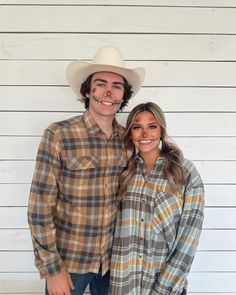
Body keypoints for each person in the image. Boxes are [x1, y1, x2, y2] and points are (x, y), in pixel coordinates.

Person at [27, 46, 145, 295]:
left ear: (123, 95)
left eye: (117, 86)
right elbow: (39, 207)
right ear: (88, 91)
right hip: (69, 264)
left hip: (114, 263)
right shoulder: (59, 134)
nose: (108, 92)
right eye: (100, 84)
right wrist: (52, 269)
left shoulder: (127, 140)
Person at [109, 102, 204, 295]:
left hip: (165, 284)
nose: (145, 135)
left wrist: (165, 288)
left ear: (161, 130)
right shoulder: (123, 172)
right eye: (137, 128)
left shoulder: (184, 172)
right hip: (125, 283)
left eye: (152, 126)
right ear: (130, 133)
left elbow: (190, 235)